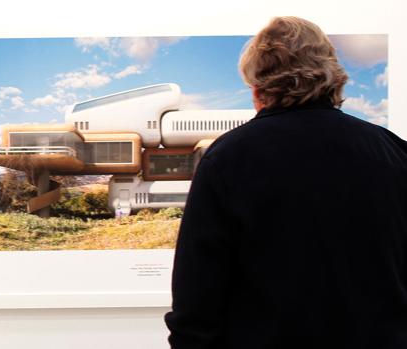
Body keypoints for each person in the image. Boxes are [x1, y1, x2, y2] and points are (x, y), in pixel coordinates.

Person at [164, 16, 407, 349]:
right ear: (334, 80)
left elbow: (196, 301)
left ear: (257, 88)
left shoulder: (228, 158)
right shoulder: (393, 151)